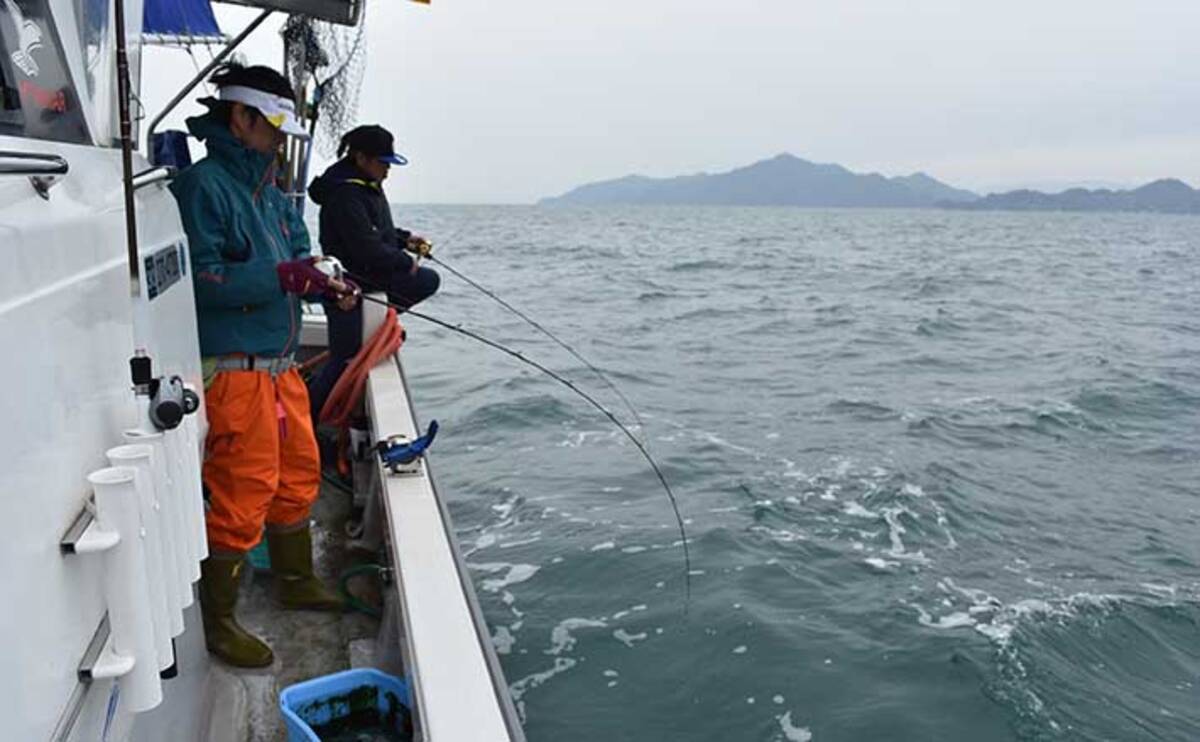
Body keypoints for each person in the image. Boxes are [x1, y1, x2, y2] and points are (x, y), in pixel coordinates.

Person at [169, 63, 357, 668]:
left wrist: (327, 282)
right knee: (242, 491)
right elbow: (197, 281)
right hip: (235, 372)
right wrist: (276, 276)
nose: (279, 139)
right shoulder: (201, 187)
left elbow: (301, 256)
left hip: (280, 371)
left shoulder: (275, 197)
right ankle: (219, 620)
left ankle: (295, 580)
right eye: (272, 124)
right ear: (240, 117)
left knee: (299, 474)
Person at [306, 124, 440, 421]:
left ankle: (375, 326)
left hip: (366, 284)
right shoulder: (346, 194)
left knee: (428, 280)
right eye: (383, 163)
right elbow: (366, 249)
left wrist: (405, 240)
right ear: (361, 157)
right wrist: (406, 262)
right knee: (344, 360)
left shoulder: (364, 184)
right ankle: (305, 422)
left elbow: (377, 231)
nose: (387, 170)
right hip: (349, 289)